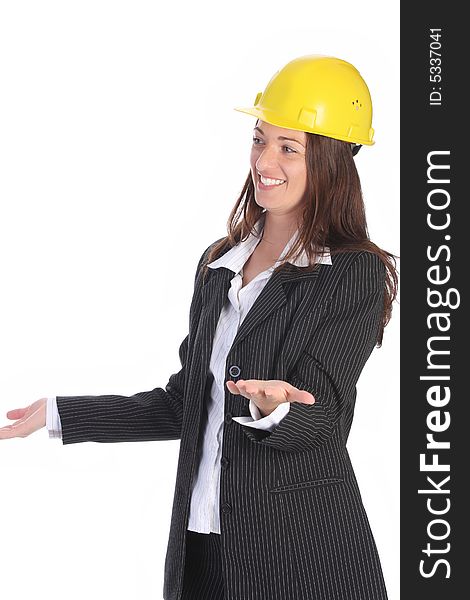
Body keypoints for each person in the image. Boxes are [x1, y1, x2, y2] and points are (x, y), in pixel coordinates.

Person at [0, 54, 398, 600]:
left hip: (300, 553)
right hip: (204, 543)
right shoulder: (220, 265)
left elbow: (327, 420)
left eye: (289, 147)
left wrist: (275, 405)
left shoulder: (351, 272)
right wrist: (57, 414)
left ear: (329, 160)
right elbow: (186, 402)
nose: (265, 160)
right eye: (260, 139)